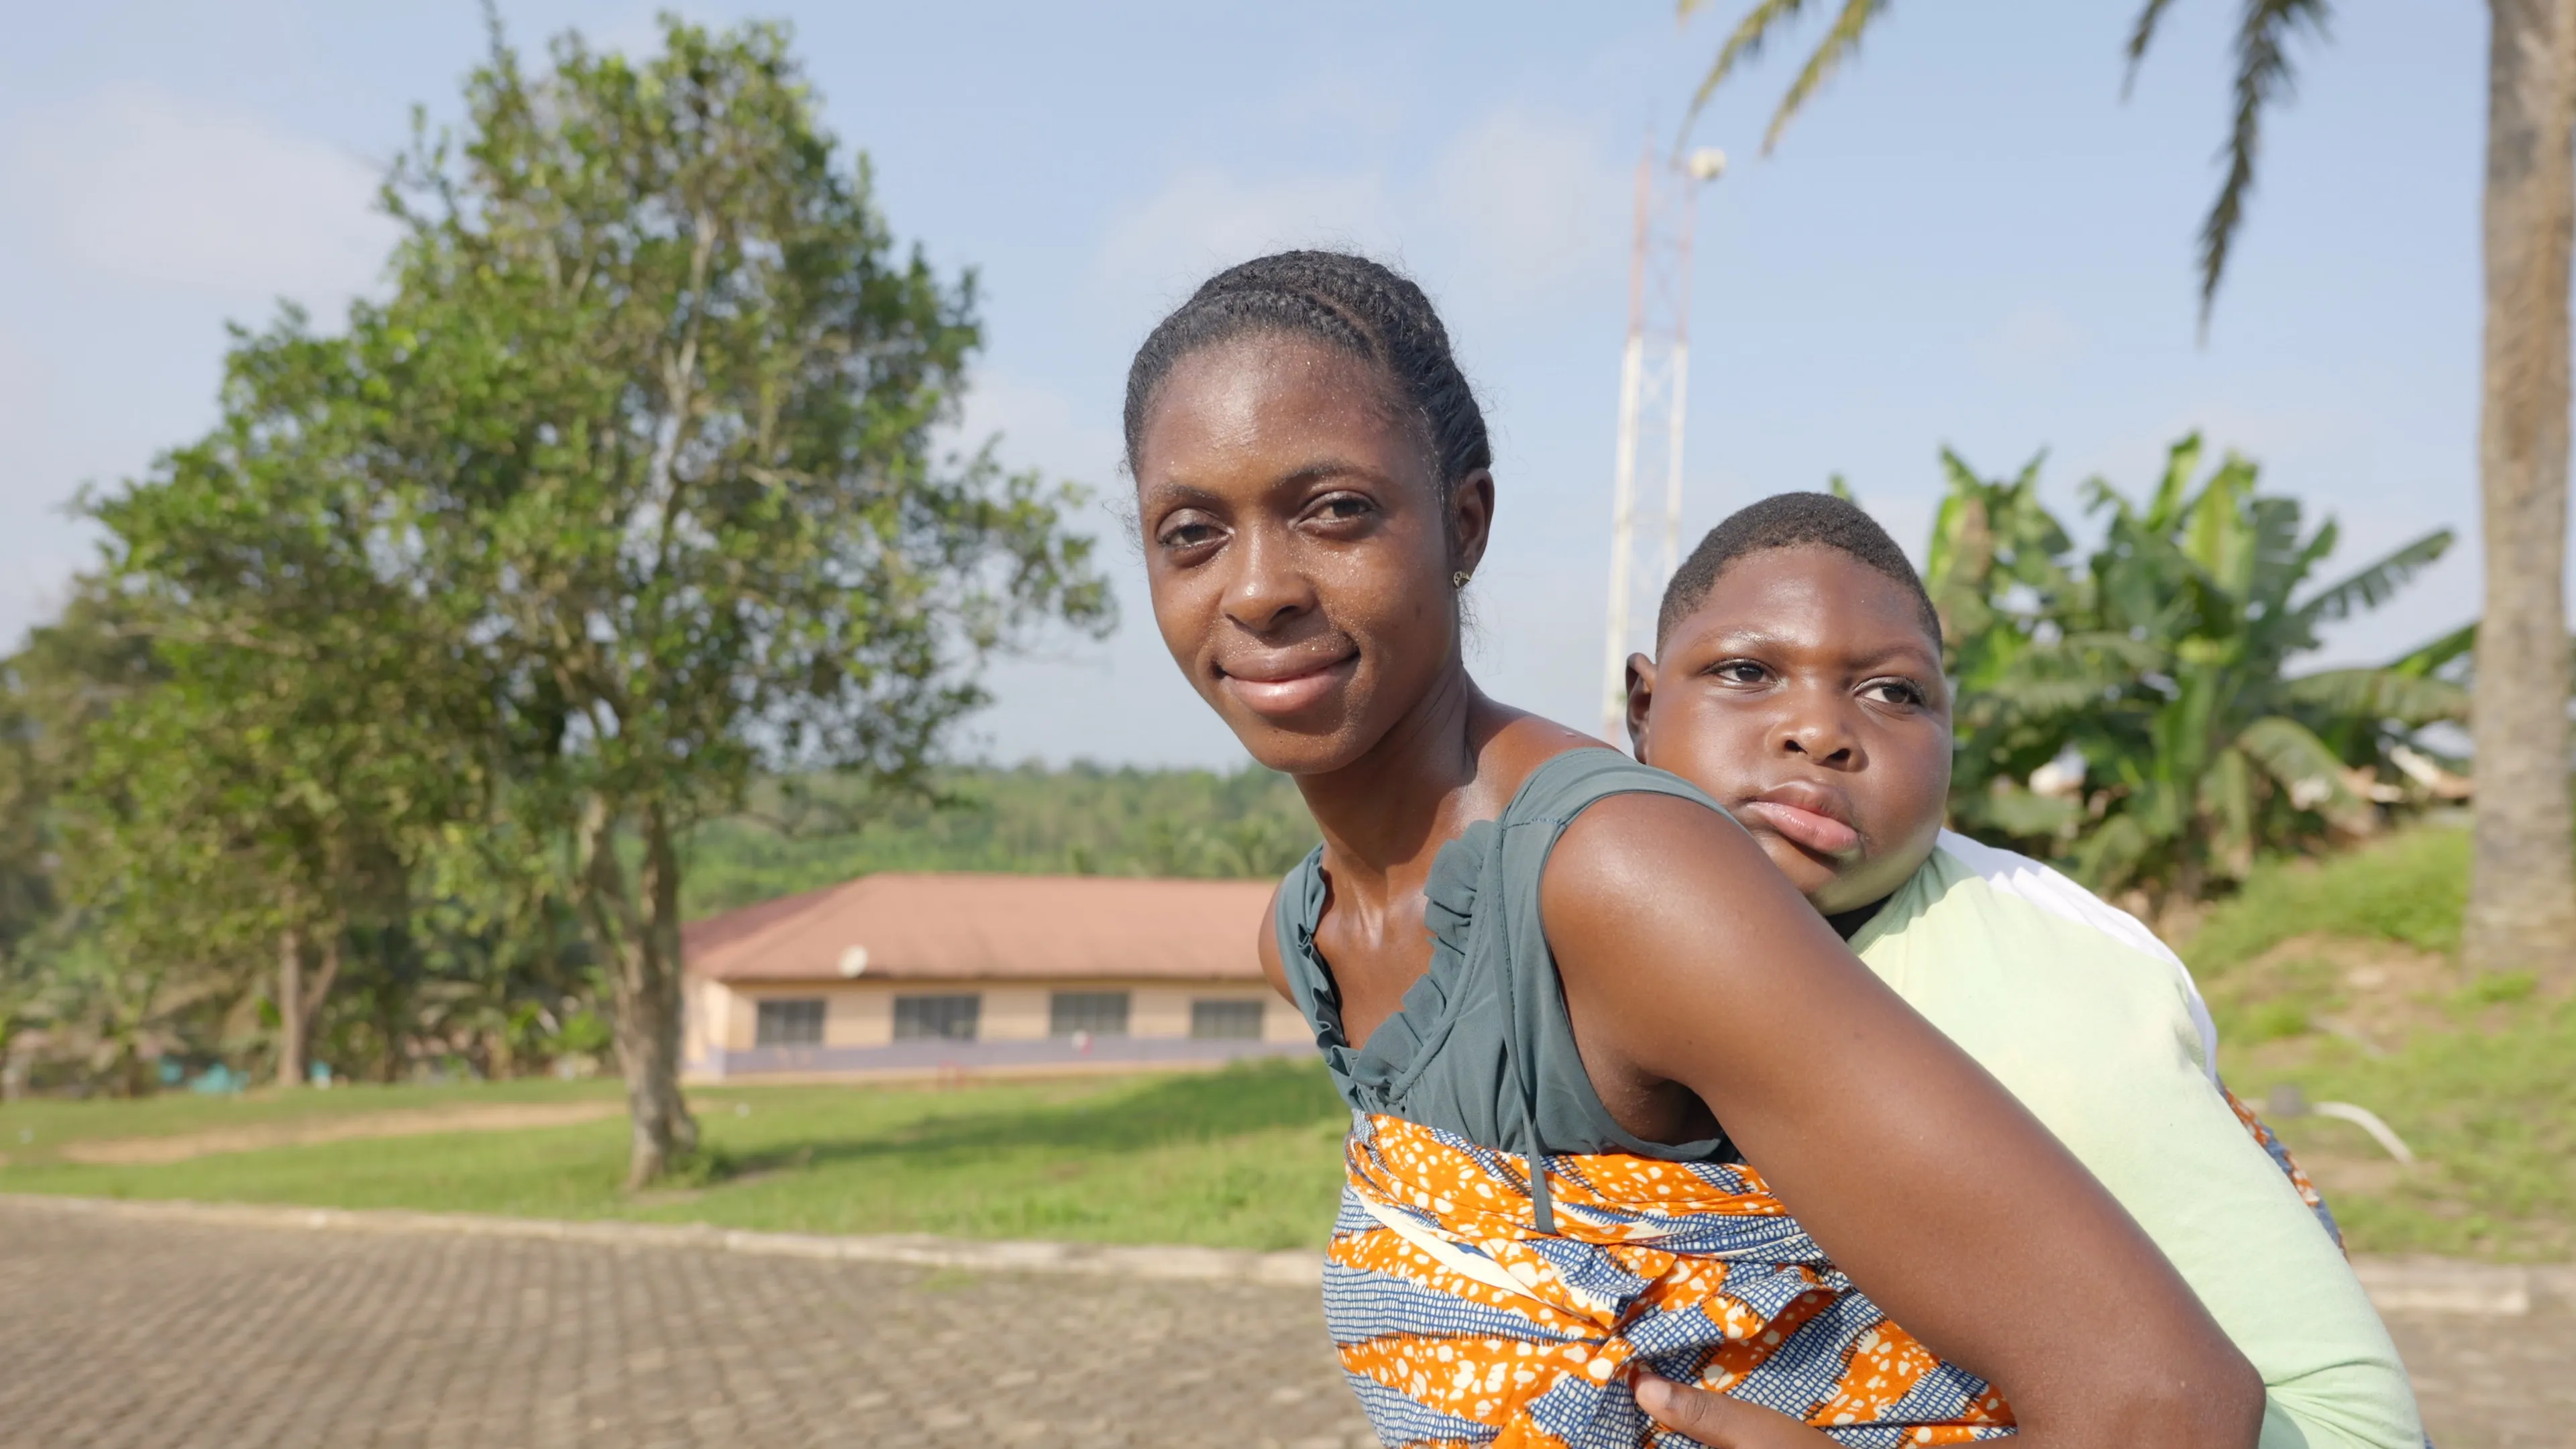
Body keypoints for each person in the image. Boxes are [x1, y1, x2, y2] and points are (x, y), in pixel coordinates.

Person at [1125, 249, 2263, 1448]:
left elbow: (2163, 1398)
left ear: (1464, 523)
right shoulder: (1302, 937)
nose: (1256, 591)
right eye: (1191, 533)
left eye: (1335, 511)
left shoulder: (1614, 878)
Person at [1619, 493, 2422, 1449]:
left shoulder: (2052, 994)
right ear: (1642, 705)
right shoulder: (1561, 902)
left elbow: (2354, 1424)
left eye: (1893, 694)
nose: (1820, 732)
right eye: (1748, 672)